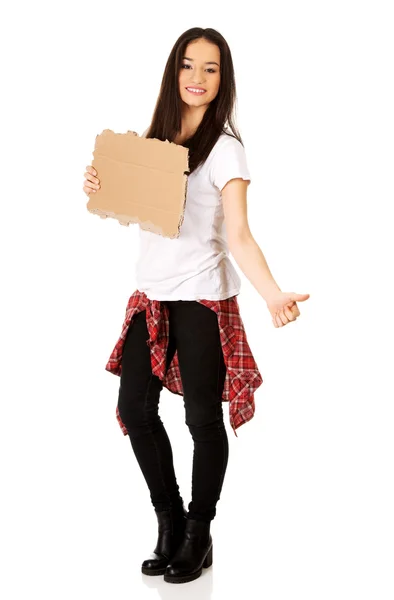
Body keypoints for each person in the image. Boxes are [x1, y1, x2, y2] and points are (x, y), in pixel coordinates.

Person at [83, 27, 309, 585]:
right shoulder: (153, 141)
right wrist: (99, 185)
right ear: (173, 71)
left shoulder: (226, 149)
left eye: (210, 69)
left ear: (222, 79)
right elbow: (135, 209)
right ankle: (170, 522)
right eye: (188, 65)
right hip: (151, 297)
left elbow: (239, 233)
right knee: (135, 409)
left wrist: (273, 292)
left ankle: (199, 531)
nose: (197, 78)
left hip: (204, 299)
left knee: (201, 419)